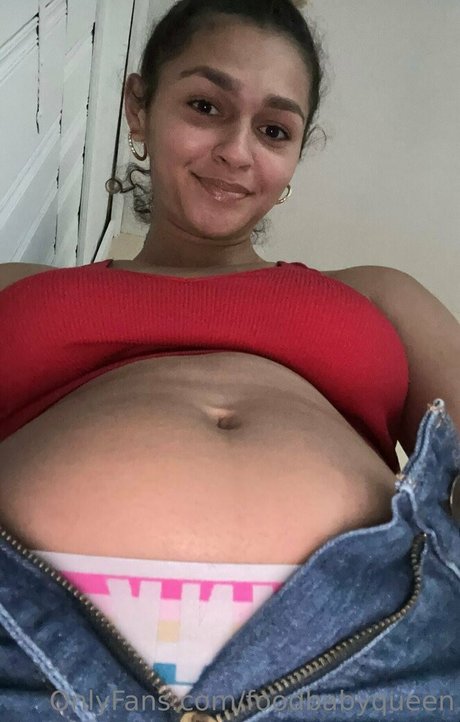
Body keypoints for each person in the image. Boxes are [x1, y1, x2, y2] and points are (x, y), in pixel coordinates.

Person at [0, 1, 459, 720]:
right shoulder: (15, 288)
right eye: (206, 106)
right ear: (139, 107)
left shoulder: (381, 294)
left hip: (370, 662)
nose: (238, 152)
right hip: (25, 651)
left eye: (274, 130)